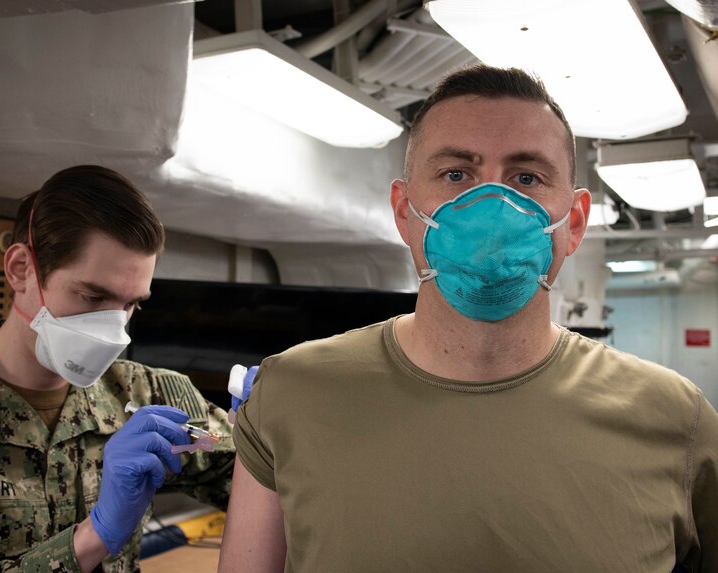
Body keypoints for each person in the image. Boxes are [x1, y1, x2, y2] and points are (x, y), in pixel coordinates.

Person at [219, 64, 718, 572]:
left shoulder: (678, 420)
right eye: (456, 174)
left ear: (575, 223)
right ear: (403, 211)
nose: (492, 206)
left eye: (527, 177)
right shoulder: (291, 393)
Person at [0, 165, 236, 572]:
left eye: (131, 304)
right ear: (21, 270)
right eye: (92, 296)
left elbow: (258, 476)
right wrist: (94, 536)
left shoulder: (151, 396)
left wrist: (276, 419)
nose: (115, 330)